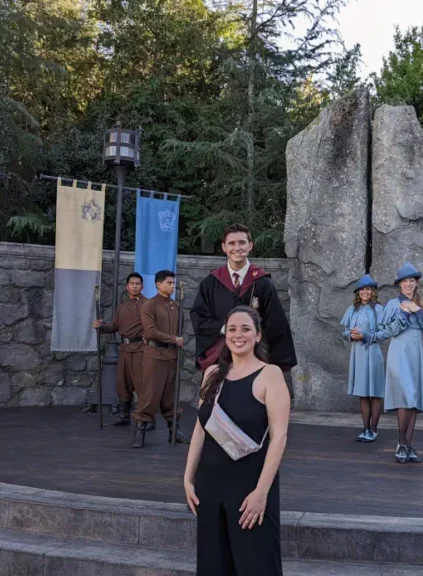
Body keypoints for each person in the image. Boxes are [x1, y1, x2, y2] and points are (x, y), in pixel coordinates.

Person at [183, 306, 290, 576]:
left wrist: (261, 493)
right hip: (209, 487)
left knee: (255, 564)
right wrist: (187, 477)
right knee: (213, 565)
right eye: (232, 329)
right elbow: (200, 429)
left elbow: (279, 438)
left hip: (249, 489)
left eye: (245, 329)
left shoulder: (270, 375)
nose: (238, 335)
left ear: (257, 335)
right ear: (225, 335)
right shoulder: (212, 375)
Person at [190, 224, 296, 376]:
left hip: (255, 357)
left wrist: (274, 361)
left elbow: (275, 323)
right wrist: (226, 329)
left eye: (242, 242)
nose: (237, 247)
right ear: (224, 247)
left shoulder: (262, 283)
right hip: (220, 357)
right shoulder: (210, 283)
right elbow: (198, 317)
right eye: (232, 243)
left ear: (250, 246)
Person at [378, 262, 423, 464]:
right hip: (399, 352)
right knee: (405, 397)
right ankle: (402, 443)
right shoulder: (392, 305)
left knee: (413, 400)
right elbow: (389, 332)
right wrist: (405, 313)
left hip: (416, 353)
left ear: (416, 283)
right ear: (400, 284)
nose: (409, 284)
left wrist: (418, 311)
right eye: (405, 281)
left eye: (412, 280)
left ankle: (408, 445)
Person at [133, 270, 186, 448]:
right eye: (169, 283)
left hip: (172, 355)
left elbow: (180, 330)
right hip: (154, 355)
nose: (172, 285)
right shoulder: (149, 305)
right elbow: (150, 332)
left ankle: (174, 429)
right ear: (158, 284)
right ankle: (139, 431)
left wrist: (176, 342)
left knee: (171, 395)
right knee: (149, 394)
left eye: (173, 283)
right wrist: (174, 339)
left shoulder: (176, 306)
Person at [94, 272, 147, 427]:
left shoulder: (148, 305)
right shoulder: (122, 307)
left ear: (142, 286)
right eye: (132, 283)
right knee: (122, 383)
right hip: (124, 349)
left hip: (140, 349)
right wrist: (101, 326)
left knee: (142, 384)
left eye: (137, 284)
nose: (135, 286)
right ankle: (124, 415)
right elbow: (114, 326)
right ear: (127, 286)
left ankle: (146, 418)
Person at [340, 274, 385, 442]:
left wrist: (365, 335)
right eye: (362, 289)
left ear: (372, 291)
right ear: (358, 292)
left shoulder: (379, 309)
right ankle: (365, 428)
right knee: (363, 393)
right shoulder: (352, 309)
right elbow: (344, 331)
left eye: (368, 289)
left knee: (375, 392)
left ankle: (373, 430)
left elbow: (383, 333)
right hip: (357, 354)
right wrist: (351, 335)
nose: (365, 292)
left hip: (372, 354)